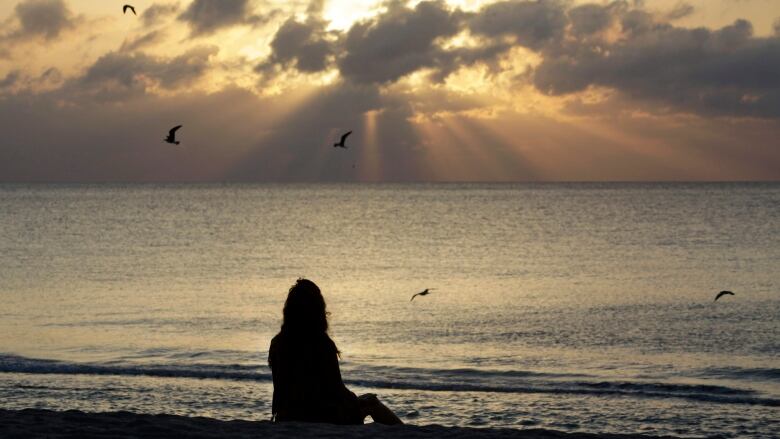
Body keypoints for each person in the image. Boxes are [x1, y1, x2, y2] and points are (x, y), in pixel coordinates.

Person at [268, 278, 403, 425]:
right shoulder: (321, 343)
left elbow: (279, 390)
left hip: (287, 416)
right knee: (371, 402)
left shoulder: (277, 343)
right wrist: (355, 399)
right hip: (320, 417)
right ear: (318, 309)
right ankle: (404, 433)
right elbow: (337, 390)